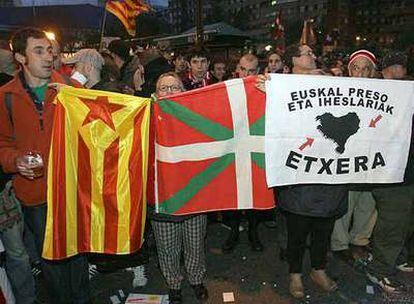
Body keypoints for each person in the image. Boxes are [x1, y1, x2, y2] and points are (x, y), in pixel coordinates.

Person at [0, 27, 90, 304]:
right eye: (38, 51)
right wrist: (15, 162)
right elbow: (2, 144)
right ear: (21, 58)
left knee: (78, 254)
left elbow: (95, 131)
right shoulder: (5, 96)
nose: (48, 57)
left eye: (50, 50)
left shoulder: (71, 89)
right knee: (49, 258)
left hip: (72, 190)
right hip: (34, 194)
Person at [256, 43, 346, 299]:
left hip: (330, 171)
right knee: (297, 228)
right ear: (293, 59)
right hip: (299, 172)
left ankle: (319, 269)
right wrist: (268, 90)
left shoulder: (332, 79)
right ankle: (294, 273)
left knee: (324, 228)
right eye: (307, 53)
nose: (313, 56)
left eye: (313, 53)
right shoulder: (280, 84)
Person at [150, 72, 208, 304]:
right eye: (164, 88)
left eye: (175, 88)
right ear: (155, 95)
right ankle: (174, 284)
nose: (169, 92)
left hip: (193, 196)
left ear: (184, 93)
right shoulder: (145, 120)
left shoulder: (197, 118)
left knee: (195, 244)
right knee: (167, 247)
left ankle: (196, 280)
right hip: (161, 198)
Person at [365, 51, 413, 292]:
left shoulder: (410, 93)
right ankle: (379, 270)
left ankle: (399, 257)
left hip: (409, 171)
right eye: (391, 67)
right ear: (382, 72)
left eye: (401, 67)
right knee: (392, 223)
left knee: (406, 221)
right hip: (392, 174)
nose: (396, 71)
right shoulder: (373, 97)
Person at [330, 49, 378, 263]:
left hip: (373, 157)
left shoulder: (383, 93)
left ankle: (360, 240)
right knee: (345, 201)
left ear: (372, 72)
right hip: (348, 156)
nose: (360, 73)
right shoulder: (340, 91)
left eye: (365, 69)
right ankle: (339, 244)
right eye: (356, 68)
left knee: (368, 201)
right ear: (349, 70)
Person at [222, 53, 264, 253]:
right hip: (233, 147)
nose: (247, 74)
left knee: (255, 191)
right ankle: (233, 232)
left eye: (252, 70)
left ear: (258, 71)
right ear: (237, 69)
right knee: (233, 193)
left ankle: (254, 233)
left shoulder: (265, 89)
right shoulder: (226, 89)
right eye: (243, 69)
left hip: (255, 146)